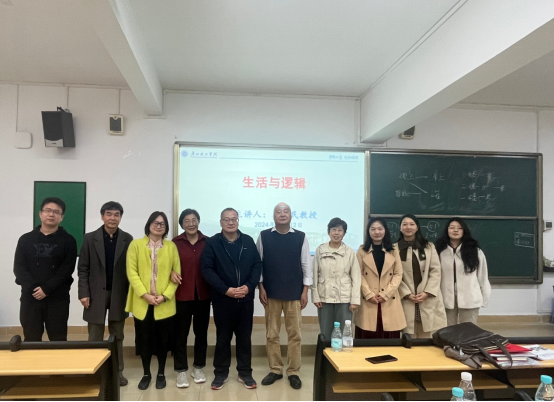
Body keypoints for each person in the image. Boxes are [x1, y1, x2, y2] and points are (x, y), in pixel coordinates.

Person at [201, 208, 262, 391]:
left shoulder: (248, 241)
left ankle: (245, 372)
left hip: (245, 299)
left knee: (244, 337)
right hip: (223, 300)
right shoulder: (212, 243)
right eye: (226, 219)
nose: (230, 222)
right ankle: (220, 373)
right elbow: (207, 269)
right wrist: (225, 290)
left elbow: (257, 265)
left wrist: (249, 286)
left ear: (238, 221)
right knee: (223, 337)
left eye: (233, 219)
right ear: (221, 222)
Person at [78, 201, 133, 386]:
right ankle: (94, 372)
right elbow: (83, 268)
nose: (112, 218)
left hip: (119, 294)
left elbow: (131, 269)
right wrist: (83, 293)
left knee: (118, 335)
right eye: (109, 214)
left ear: (120, 217)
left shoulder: (127, 239)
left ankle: (118, 372)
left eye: (116, 214)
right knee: (95, 335)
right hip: (94, 294)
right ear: (102, 216)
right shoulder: (89, 238)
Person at [257, 202, 311, 390]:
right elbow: (258, 264)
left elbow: (306, 264)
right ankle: (275, 369)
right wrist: (260, 287)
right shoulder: (264, 236)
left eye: (285, 211)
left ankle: (293, 371)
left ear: (291, 215)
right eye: (278, 211)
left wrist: (305, 291)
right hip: (270, 293)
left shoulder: (300, 237)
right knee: (272, 334)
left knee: (295, 334)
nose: (282, 214)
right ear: (274, 216)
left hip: (294, 293)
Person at [126, 212, 181, 391]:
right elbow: (132, 273)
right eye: (156, 223)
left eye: (162, 224)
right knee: (144, 340)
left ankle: (161, 373)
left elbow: (177, 275)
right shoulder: (136, 245)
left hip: (164, 303)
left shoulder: (171, 247)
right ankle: (146, 374)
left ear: (166, 228)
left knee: (163, 341)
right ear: (149, 224)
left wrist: (165, 296)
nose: (159, 226)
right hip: (143, 302)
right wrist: (145, 295)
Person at [14, 197, 78, 342]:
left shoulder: (69, 241)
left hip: (57, 299)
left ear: (61, 217)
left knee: (58, 339)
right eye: (48, 210)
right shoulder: (25, 239)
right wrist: (34, 289)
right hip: (30, 298)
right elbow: (19, 268)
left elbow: (67, 269)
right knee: (31, 338)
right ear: (40, 214)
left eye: (56, 212)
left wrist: (47, 289)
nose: (51, 214)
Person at [170, 209, 210, 388]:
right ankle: (181, 370)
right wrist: (170, 271)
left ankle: (198, 368)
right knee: (180, 334)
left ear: (199, 222)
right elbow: (166, 264)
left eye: (194, 220)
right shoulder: (175, 243)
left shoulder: (208, 242)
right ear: (181, 224)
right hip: (181, 295)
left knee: (201, 333)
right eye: (187, 221)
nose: (191, 224)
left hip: (203, 294)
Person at [353, 217, 406, 339]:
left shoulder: (393, 250)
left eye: (380, 229)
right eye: (373, 229)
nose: (376, 232)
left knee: (389, 339)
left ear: (385, 230)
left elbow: (398, 274)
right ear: (368, 231)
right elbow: (358, 274)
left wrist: (385, 294)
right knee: (367, 338)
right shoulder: (362, 250)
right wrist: (368, 294)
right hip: (369, 300)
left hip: (389, 299)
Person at [396, 214, 447, 339]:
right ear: (400, 228)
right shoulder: (394, 248)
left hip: (427, 296)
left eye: (412, 224)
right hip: (406, 297)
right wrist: (406, 293)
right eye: (405, 224)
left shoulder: (429, 246)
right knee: (409, 335)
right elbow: (394, 274)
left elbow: (435, 271)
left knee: (426, 336)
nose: (408, 227)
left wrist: (427, 292)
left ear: (417, 227)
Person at [435, 217, 491, 326]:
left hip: (469, 298)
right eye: (452, 227)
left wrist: (484, 297)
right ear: (447, 230)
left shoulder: (475, 251)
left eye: (459, 228)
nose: (455, 230)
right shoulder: (439, 250)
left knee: (468, 330)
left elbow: (483, 276)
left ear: (464, 231)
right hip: (445, 298)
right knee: (447, 330)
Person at [312, 217, 361, 341]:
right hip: (324, 297)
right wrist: (315, 296)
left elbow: (356, 277)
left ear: (344, 233)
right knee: (325, 332)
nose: (336, 233)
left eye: (340, 230)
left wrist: (355, 300)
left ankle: (343, 354)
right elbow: (314, 274)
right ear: (328, 232)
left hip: (344, 298)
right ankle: (326, 353)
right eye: (333, 229)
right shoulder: (320, 250)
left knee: (345, 332)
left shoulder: (350, 252)